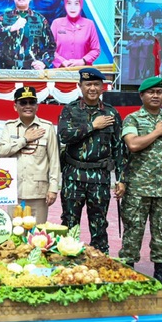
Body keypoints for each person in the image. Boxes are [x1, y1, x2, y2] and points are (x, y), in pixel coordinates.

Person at [119, 76, 162, 292]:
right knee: (133, 231)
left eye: (159, 92)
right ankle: (127, 273)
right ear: (142, 95)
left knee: (161, 232)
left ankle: (160, 273)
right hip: (137, 189)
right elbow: (133, 144)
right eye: (151, 92)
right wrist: (157, 132)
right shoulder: (133, 119)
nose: (156, 96)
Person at [57, 68, 125, 253]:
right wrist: (92, 125)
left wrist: (121, 179)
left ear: (102, 87)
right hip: (73, 175)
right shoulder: (70, 110)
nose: (92, 88)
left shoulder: (111, 113)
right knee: (69, 223)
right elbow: (64, 136)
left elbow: (119, 148)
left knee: (99, 224)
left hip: (100, 177)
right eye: (88, 84)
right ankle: (67, 260)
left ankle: (100, 260)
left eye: (96, 84)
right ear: (80, 86)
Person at [0, 87, 60, 224]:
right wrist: (24, 139)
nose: (28, 106)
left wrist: (53, 188)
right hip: (14, 190)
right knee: (15, 232)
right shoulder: (9, 127)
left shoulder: (47, 127)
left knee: (38, 233)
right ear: (15, 106)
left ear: (37, 106)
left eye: (32, 102)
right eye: (23, 103)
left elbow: (54, 161)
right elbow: (1, 151)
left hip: (38, 192)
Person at [0, 0, 55, 70]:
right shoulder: (3, 18)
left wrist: (44, 62)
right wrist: (10, 29)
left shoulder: (40, 19)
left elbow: (51, 46)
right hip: (7, 70)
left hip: (32, 70)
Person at [50, 0, 101, 69]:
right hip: (60, 71)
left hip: (83, 71)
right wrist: (62, 61)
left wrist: (82, 61)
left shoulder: (89, 24)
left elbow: (96, 50)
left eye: (76, 3)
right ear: (65, 5)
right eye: (69, 3)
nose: (72, 7)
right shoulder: (56, 23)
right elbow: (49, 49)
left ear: (81, 5)